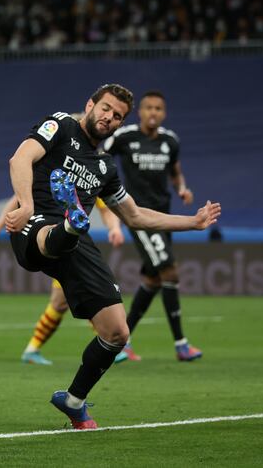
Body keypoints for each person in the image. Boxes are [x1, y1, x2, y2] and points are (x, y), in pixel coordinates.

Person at [5, 84, 220, 429]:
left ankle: (74, 401)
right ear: (90, 105)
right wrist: (25, 203)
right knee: (54, 233)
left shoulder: (105, 168)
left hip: (75, 242)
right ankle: (71, 224)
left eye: (117, 115)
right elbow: (20, 158)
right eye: (105, 108)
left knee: (117, 332)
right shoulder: (60, 125)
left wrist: (193, 222)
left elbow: (136, 217)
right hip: (34, 225)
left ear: (121, 123)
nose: (109, 117)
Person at [103, 91, 202, 362]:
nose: (153, 113)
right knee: (169, 271)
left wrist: (181, 188)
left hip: (164, 217)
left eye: (158, 108)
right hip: (139, 216)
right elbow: (100, 153)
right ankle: (181, 344)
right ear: (140, 112)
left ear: (164, 113)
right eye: (148, 108)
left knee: (153, 279)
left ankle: (121, 343)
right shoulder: (125, 137)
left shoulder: (170, 141)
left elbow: (175, 170)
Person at [0, 197, 125, 365]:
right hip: (51, 241)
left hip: (74, 246)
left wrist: (114, 228)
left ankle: (33, 348)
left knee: (65, 301)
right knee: (66, 300)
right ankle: (111, 340)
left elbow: (106, 208)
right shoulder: (48, 176)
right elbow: (18, 200)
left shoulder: (90, 178)